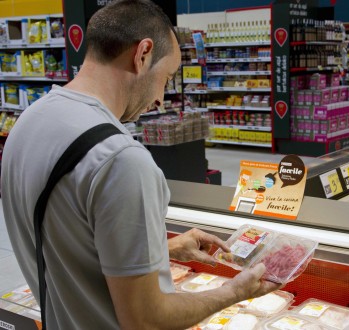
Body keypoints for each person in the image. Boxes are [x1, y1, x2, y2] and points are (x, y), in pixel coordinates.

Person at [1, 1, 279, 329]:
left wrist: (164, 247)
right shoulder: (121, 160)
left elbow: (69, 241)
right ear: (142, 54)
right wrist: (234, 291)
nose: (161, 97)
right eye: (166, 76)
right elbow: (146, 320)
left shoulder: (29, 120)